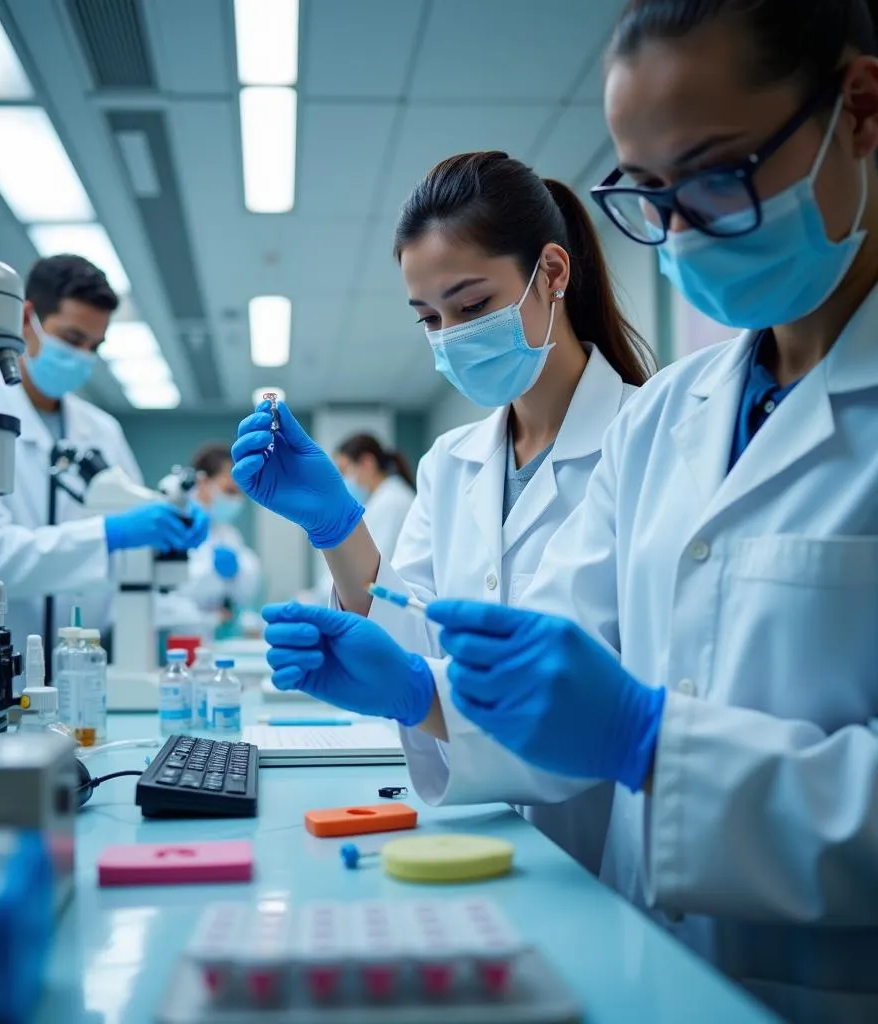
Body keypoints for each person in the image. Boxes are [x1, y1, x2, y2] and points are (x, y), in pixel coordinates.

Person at [260, 1, 878, 1019]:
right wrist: (420, 685)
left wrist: (646, 740)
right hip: (634, 957)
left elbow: (621, 717)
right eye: (649, 194)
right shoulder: (671, 420)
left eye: (715, 173)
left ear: (858, 109)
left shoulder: (626, 419)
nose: (677, 230)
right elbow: (570, 676)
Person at [234, 152, 654, 872]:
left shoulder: (644, 437)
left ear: (552, 273)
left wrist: (414, 688)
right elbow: (415, 628)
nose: (451, 335)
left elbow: (578, 679)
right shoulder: (452, 461)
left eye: (472, 305)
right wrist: (335, 526)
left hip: (603, 851)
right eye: (430, 317)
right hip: (483, 833)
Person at [0, 254, 209, 659]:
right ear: (27, 318)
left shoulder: (101, 430)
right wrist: (109, 534)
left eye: (94, 346)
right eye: (71, 339)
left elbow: (134, 541)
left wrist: (171, 526)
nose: (83, 356)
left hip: (84, 667)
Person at [157, 442, 262, 626]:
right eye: (229, 490)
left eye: (240, 492)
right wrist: (208, 616)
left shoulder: (227, 533)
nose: (236, 499)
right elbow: (165, 597)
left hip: (211, 639)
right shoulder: (174, 524)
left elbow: (244, 592)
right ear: (203, 482)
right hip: (176, 637)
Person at [335, 433, 416, 563]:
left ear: (367, 463)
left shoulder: (392, 501)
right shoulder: (382, 498)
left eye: (345, 470)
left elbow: (377, 562)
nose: (344, 479)